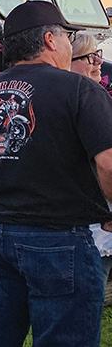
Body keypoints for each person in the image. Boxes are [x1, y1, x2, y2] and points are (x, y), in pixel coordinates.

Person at [0, 1, 112, 347]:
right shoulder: (80, 90)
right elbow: (108, 163)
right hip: (58, 237)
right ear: (50, 39)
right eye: (67, 37)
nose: (68, 45)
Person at [69, 32, 112, 284]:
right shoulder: (83, 99)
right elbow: (106, 163)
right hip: (91, 219)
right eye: (90, 56)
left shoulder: (96, 95)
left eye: (98, 54)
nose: (98, 62)